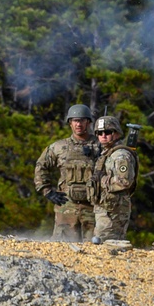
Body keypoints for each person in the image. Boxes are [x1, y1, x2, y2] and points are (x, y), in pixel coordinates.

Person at [34, 103, 99, 242]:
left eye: (82, 120)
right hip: (66, 205)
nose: (78, 124)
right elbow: (41, 166)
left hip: (93, 206)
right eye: (75, 120)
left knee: (95, 249)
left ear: (88, 122)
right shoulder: (59, 147)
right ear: (70, 123)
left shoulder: (99, 146)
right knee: (63, 248)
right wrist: (47, 191)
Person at [88, 115, 138, 242]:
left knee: (108, 244)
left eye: (108, 132)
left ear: (116, 133)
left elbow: (125, 181)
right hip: (106, 208)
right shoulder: (107, 153)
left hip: (114, 212)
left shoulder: (120, 155)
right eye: (99, 133)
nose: (103, 135)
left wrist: (102, 181)